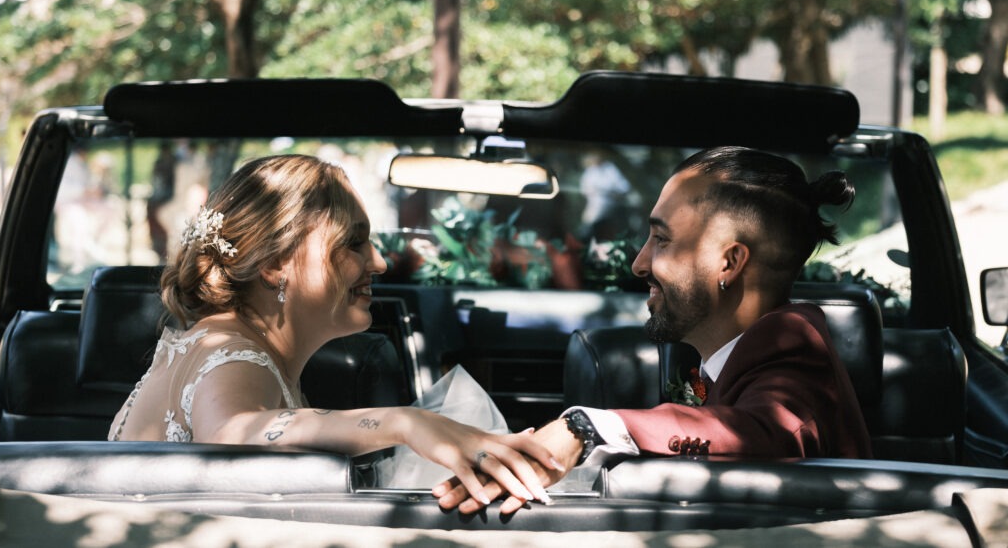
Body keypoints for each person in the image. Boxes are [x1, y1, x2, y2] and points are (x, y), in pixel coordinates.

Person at [434, 146, 872, 514]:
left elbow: (769, 431)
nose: (638, 263)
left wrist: (587, 428)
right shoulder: (726, 358)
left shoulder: (793, 350)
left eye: (661, 240)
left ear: (730, 263)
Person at [109, 154, 562, 507]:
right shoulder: (231, 353)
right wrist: (403, 422)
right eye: (353, 243)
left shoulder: (214, 340)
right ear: (273, 265)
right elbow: (232, 432)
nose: (379, 262)